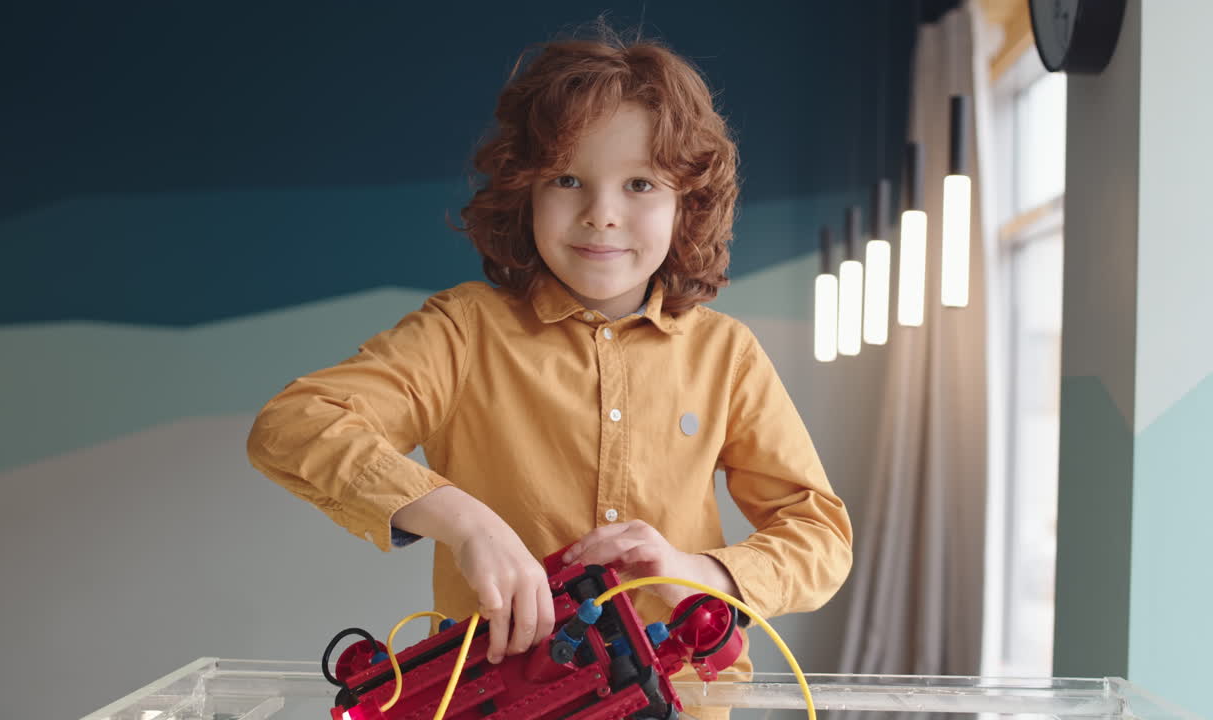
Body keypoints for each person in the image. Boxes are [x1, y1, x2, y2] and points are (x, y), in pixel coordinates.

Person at [247, 26, 852, 720]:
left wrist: (702, 573)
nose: (602, 215)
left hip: (685, 703)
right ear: (523, 190)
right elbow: (293, 424)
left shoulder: (728, 355)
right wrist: (466, 523)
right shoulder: (463, 330)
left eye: (641, 184)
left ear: (688, 202)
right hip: (501, 702)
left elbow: (820, 533)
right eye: (568, 179)